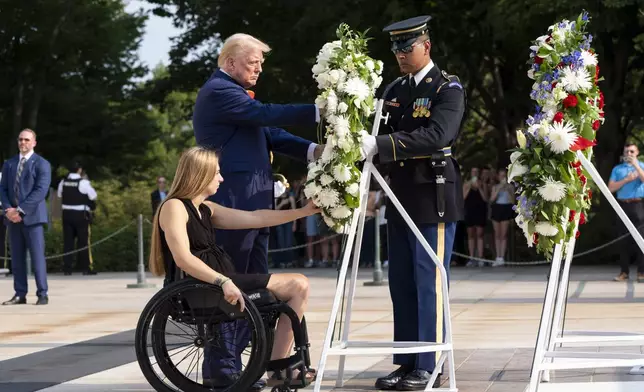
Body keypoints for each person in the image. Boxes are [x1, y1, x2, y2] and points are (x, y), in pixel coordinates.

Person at [192, 32, 323, 388]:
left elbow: (272, 134)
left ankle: (266, 362)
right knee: (233, 286)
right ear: (230, 62)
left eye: (261, 63)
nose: (259, 69)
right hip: (233, 204)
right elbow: (264, 114)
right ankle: (223, 369)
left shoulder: (235, 94)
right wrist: (318, 109)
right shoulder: (219, 92)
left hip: (254, 204)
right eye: (254, 63)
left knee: (258, 288)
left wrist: (316, 151)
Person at [148, 146, 319, 388]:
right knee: (298, 284)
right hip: (202, 288)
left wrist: (303, 212)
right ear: (201, 173)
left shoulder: (206, 209)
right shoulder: (174, 207)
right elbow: (183, 258)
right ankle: (279, 368)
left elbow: (256, 218)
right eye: (217, 172)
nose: (221, 178)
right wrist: (222, 281)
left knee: (296, 287)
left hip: (218, 283)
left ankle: (279, 366)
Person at [359, 15, 466, 390]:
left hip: (431, 194)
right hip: (399, 194)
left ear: (426, 46)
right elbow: (379, 131)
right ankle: (407, 363)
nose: (400, 55)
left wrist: (383, 146)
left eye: (407, 47)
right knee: (401, 282)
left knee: (428, 280)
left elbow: (438, 134)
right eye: (396, 48)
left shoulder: (446, 88)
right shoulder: (395, 89)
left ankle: (430, 364)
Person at [0, 129, 51, 305]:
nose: (23, 143)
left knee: (37, 258)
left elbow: (40, 191)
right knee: (17, 258)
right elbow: (3, 188)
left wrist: (20, 211)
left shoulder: (41, 164)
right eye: (21, 139)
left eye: (27, 140)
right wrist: (8, 209)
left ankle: (42, 293)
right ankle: (20, 293)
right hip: (12, 218)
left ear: (34, 142)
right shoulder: (9, 163)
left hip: (33, 218)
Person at [608, 143, 644, 282]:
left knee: (640, 238)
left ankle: (641, 272)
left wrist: (636, 166)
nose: (629, 154)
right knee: (623, 239)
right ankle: (624, 272)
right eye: (626, 152)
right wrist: (626, 180)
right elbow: (611, 188)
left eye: (632, 151)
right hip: (623, 205)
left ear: (637, 153)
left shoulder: (641, 165)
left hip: (638, 205)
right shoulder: (618, 169)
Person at [57, 161, 98, 275]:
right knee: (83, 242)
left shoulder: (63, 182)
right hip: (80, 215)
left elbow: (60, 195)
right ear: (79, 170)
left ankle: (67, 268)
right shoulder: (83, 183)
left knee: (68, 242)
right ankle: (85, 268)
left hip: (67, 215)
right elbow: (93, 196)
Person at [463, 167, 489, 266]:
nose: (474, 173)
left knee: (479, 233)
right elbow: (463, 197)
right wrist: (469, 186)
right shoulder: (466, 184)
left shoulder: (483, 184)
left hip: (480, 210)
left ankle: (480, 257)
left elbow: (485, 198)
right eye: (473, 171)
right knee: (470, 234)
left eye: (476, 172)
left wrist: (480, 187)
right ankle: (471, 257)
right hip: (469, 210)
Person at [489, 168, 515, 266]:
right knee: (497, 234)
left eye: (504, 176)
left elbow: (513, 202)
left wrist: (508, 190)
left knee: (503, 235)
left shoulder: (510, 187)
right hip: (497, 209)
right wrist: (499, 189)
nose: (502, 177)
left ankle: (502, 257)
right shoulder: (495, 187)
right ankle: (498, 256)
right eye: (501, 175)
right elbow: (491, 199)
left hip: (506, 209)